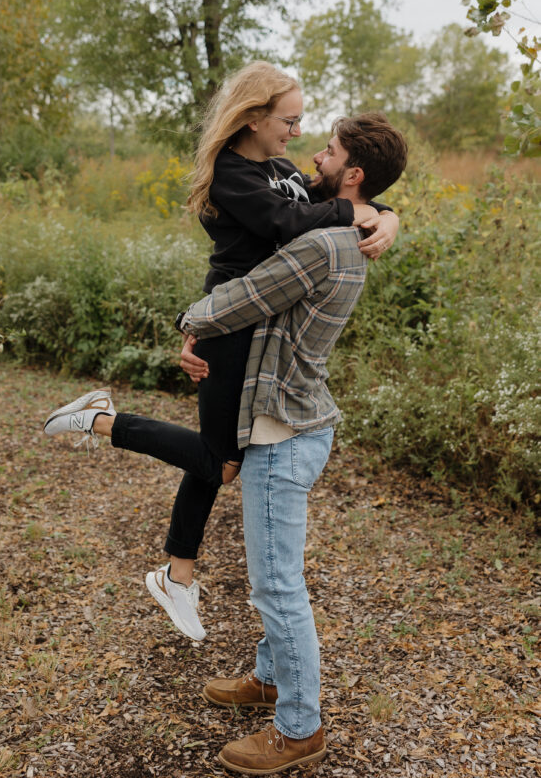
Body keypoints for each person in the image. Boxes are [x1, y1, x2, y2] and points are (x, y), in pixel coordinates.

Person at [44, 63, 399, 641]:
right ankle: (99, 420)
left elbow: (336, 193)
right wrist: (356, 212)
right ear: (253, 116)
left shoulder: (279, 168)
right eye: (289, 119)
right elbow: (286, 222)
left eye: (302, 121)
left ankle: (177, 573)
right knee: (220, 461)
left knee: (215, 458)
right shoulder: (232, 173)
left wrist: (386, 212)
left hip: (247, 322)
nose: (297, 133)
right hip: (229, 319)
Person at [175, 111, 408, 774]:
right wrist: (386, 213)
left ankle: (299, 726)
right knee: (278, 574)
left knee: (276, 584)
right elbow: (303, 207)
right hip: (298, 420)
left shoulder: (322, 245)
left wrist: (188, 322)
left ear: (351, 174)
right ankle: (270, 678)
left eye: (328, 149)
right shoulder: (347, 228)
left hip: (283, 430)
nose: (316, 153)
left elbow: (243, 297)